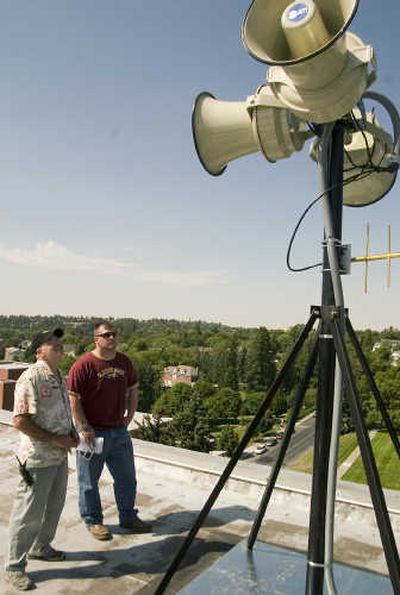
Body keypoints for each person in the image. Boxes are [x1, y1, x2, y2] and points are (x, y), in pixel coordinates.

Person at [5, 328, 78, 592]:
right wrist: (55, 439)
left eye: (59, 342)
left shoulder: (59, 376)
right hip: (38, 458)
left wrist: (70, 432)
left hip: (58, 456)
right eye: (51, 343)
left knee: (54, 507)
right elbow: (20, 421)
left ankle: (41, 547)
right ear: (39, 351)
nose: (58, 345)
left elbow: (61, 411)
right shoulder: (31, 377)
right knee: (28, 514)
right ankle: (14, 567)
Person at [67, 321, 152, 541]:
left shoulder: (124, 362)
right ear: (96, 339)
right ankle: (93, 521)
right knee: (88, 481)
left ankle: (128, 516)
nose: (112, 338)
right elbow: (74, 399)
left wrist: (129, 416)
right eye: (106, 335)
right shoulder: (83, 365)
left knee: (127, 478)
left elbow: (133, 389)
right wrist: (84, 427)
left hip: (118, 432)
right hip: (92, 433)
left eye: (113, 334)